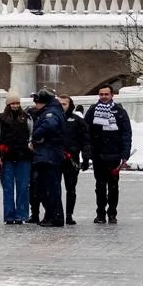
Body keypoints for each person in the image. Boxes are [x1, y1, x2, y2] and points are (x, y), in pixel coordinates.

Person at [84, 84, 133, 222]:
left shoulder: (120, 111)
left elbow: (126, 133)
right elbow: (86, 131)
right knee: (99, 186)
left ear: (112, 95)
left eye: (106, 94)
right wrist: (88, 151)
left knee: (113, 186)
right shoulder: (93, 110)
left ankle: (112, 214)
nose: (104, 97)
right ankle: (100, 214)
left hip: (114, 155)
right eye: (101, 94)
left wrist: (125, 154)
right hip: (98, 154)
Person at [29, 91, 67, 227]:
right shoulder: (54, 110)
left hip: (48, 155)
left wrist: (35, 136)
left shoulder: (51, 113)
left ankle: (54, 216)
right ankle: (51, 215)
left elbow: (50, 125)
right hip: (49, 154)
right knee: (49, 187)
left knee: (49, 187)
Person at [0, 94, 33, 224]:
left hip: (24, 156)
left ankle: (22, 215)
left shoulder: (27, 118)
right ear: (8, 104)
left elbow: (31, 136)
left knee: (23, 187)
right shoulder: (0, 118)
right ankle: (9, 215)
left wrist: (30, 147)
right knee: (8, 188)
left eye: (17, 103)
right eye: (12, 103)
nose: (15, 105)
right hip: (7, 157)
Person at [55, 94, 85, 226]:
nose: (62, 106)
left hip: (71, 159)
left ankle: (69, 214)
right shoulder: (52, 119)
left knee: (71, 188)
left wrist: (86, 156)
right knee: (54, 188)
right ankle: (55, 213)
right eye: (59, 104)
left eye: (64, 104)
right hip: (55, 159)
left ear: (70, 105)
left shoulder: (77, 120)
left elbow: (85, 140)